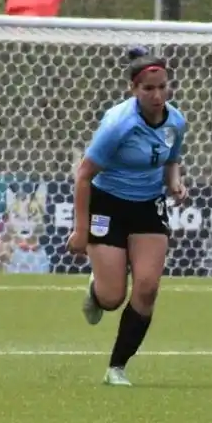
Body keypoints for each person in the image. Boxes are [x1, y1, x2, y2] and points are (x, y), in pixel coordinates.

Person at [67, 47, 188, 387]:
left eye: (163, 86)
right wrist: (80, 231)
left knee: (148, 289)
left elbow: (171, 159)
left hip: (149, 204)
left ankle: (116, 367)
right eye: (148, 89)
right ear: (133, 89)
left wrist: (175, 183)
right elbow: (83, 175)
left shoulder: (176, 121)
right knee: (112, 297)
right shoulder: (119, 125)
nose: (157, 94)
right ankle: (96, 290)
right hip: (108, 205)